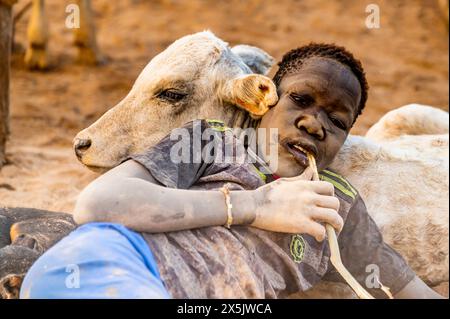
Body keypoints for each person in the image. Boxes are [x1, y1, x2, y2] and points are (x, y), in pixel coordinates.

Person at [20, 43, 442, 299]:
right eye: (301, 100)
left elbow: (409, 290)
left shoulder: (339, 210)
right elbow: (96, 205)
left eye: (337, 121)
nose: (315, 123)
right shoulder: (210, 141)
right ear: (266, 99)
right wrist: (252, 204)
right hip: (109, 265)